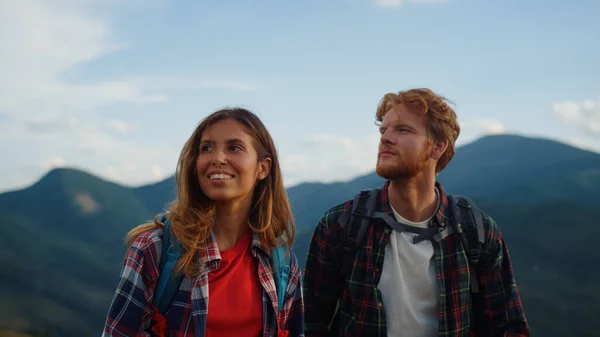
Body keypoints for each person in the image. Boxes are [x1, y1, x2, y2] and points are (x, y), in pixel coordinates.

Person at [302, 88, 529, 337]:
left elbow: (509, 327)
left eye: (402, 129)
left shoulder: (477, 231)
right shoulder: (341, 225)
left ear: (438, 147)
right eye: (383, 130)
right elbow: (309, 322)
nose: (385, 138)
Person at [102, 108, 304, 337]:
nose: (217, 158)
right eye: (207, 148)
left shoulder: (281, 262)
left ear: (263, 168)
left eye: (234, 147)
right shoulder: (154, 250)